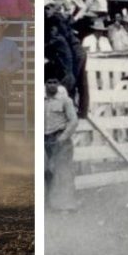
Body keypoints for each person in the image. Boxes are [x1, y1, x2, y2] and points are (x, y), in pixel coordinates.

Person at [45, 73, 79, 212]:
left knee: (63, 171)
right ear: (45, 84)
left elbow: (73, 121)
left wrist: (63, 137)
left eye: (55, 82)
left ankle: (68, 204)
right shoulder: (41, 100)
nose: (52, 85)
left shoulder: (66, 100)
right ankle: (50, 203)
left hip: (60, 139)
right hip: (45, 139)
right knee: (47, 171)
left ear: (59, 84)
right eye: (49, 82)